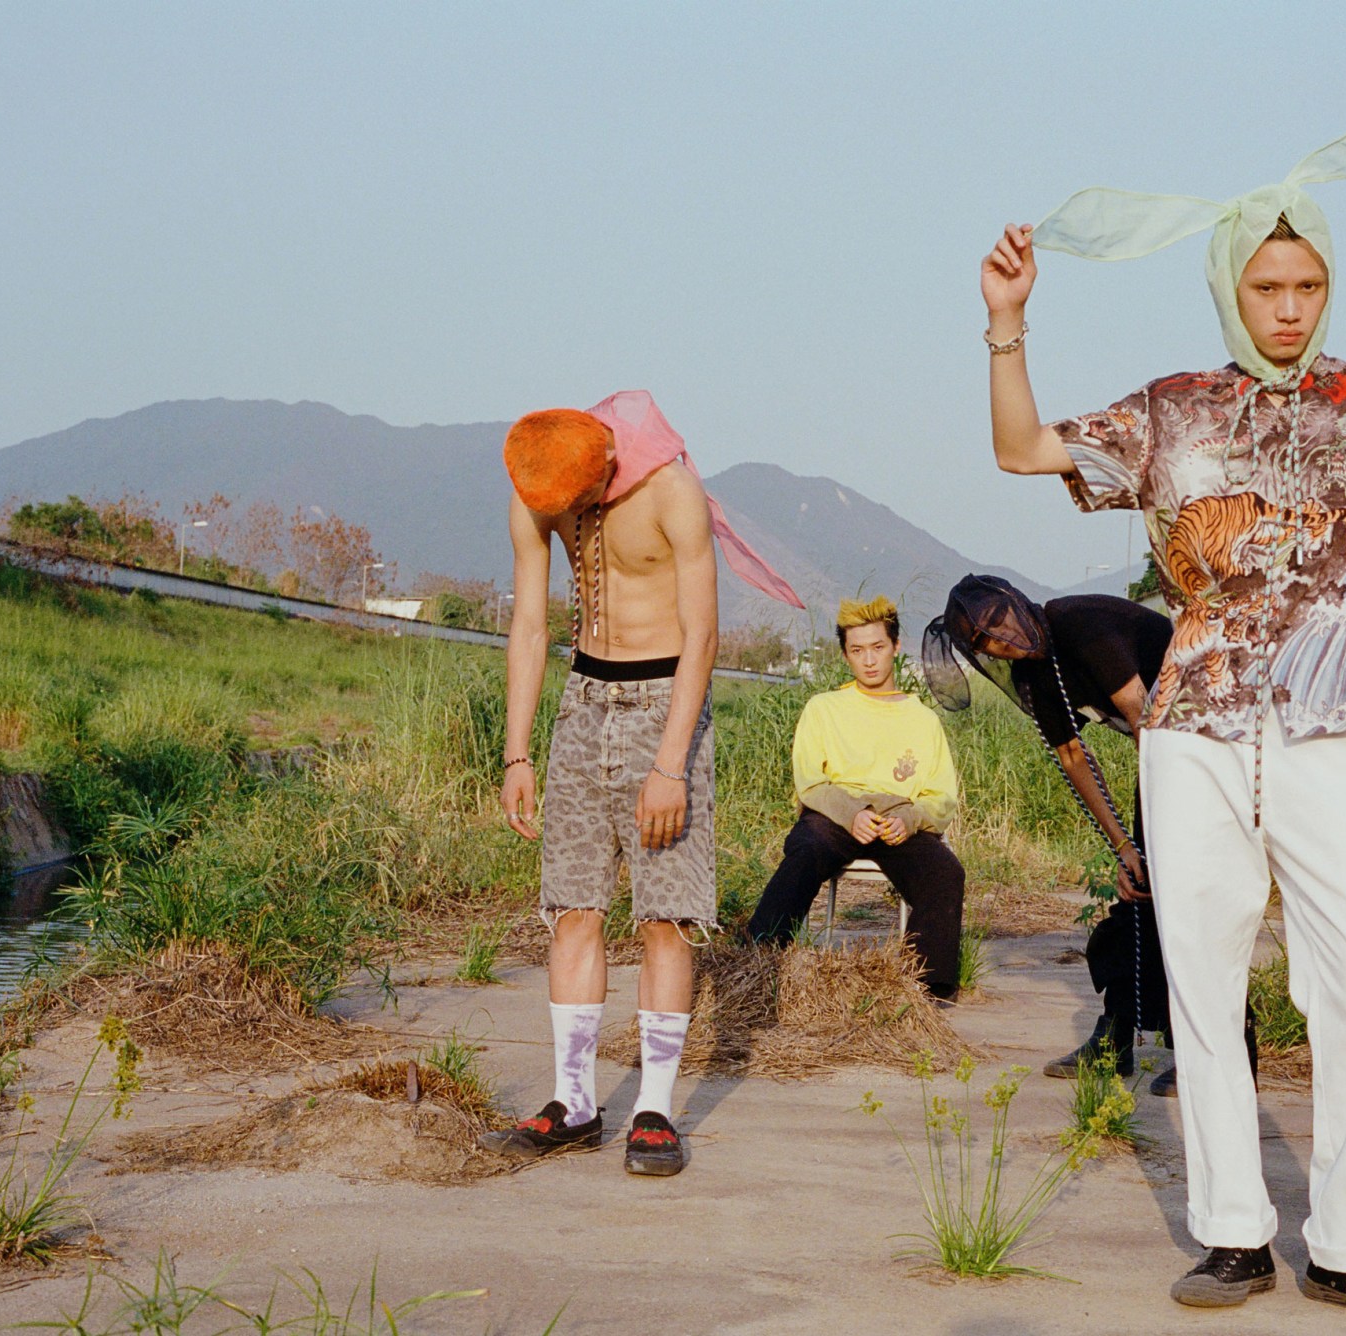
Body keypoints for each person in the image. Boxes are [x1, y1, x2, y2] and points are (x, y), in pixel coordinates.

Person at [979, 120, 1346, 1325]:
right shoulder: (1172, 410)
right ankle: (1232, 1238)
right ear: (1228, 290)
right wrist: (1008, 321)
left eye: (1306, 285)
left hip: (1334, 728)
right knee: (1202, 984)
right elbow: (1019, 449)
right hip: (1195, 734)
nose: (1289, 307)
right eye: (1266, 287)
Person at [487, 392, 799, 1177]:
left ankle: (655, 1107)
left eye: (580, 501)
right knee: (573, 909)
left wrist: (670, 764)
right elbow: (530, 624)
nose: (567, 516)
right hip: (583, 703)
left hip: (667, 704)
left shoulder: (671, 489)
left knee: (666, 916)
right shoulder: (539, 488)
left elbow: (703, 635)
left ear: (607, 468)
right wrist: (516, 751)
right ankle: (575, 1101)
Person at [925, 578, 1224, 1093]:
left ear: (1017, 603)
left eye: (1001, 621)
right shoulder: (1035, 677)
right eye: (986, 642)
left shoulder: (1082, 625)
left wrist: (1161, 833)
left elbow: (1146, 720)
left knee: (1192, 903)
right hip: (1165, 752)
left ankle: (1222, 1055)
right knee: (1140, 896)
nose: (1004, 640)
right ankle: (1114, 1042)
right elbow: (1072, 757)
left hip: (1212, 741)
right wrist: (1126, 848)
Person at [743, 597, 966, 1000]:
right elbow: (810, 781)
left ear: (895, 647)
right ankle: (759, 959)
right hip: (835, 815)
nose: (869, 660)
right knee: (806, 849)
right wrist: (852, 814)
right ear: (845, 654)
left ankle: (923, 989)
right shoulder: (824, 708)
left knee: (945, 872)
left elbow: (941, 796)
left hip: (899, 818)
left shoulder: (923, 719)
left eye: (878, 648)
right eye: (857, 650)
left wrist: (910, 819)